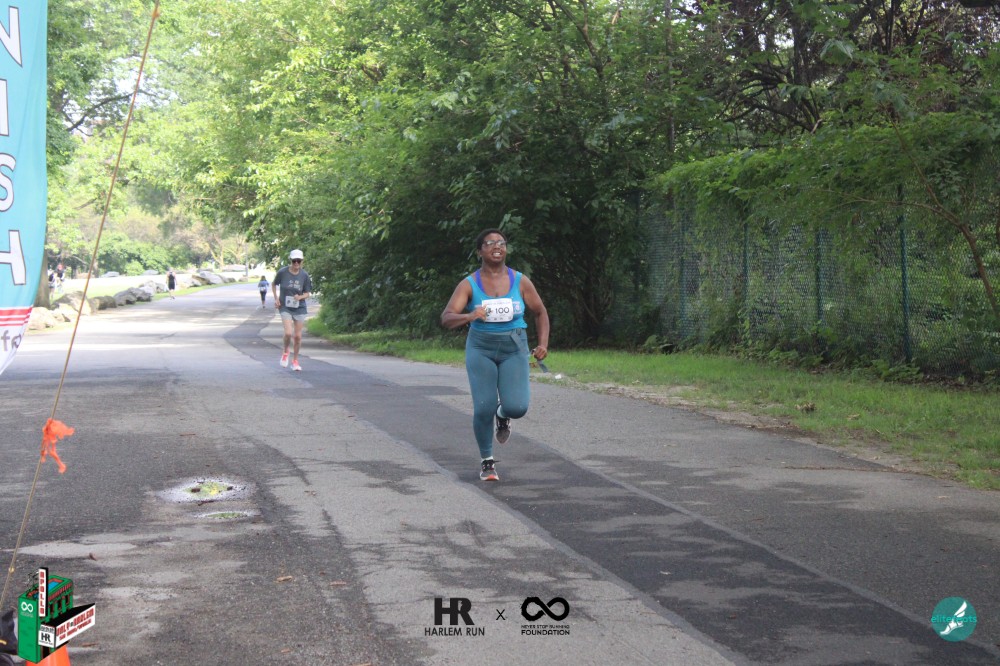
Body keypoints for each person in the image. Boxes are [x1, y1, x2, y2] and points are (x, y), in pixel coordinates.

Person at [441, 228, 549, 481]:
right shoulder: (469, 284)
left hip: (514, 347)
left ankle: (503, 415)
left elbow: (540, 312)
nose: (497, 246)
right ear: (480, 251)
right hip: (481, 349)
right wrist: (470, 315)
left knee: (517, 407)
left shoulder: (520, 281)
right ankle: (487, 461)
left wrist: (543, 344)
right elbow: (447, 318)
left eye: (501, 242)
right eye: (489, 243)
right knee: (483, 407)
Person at [272, 249, 312, 372]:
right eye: (294, 261)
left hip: (299, 307)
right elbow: (274, 284)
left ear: (302, 261)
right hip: (285, 306)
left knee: (298, 336)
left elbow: (308, 293)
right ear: (290, 260)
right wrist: (276, 299)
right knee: (288, 333)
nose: (296, 263)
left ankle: (295, 361)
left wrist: (300, 297)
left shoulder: (304, 275)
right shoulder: (283, 272)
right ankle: (285, 352)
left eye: (298, 261)